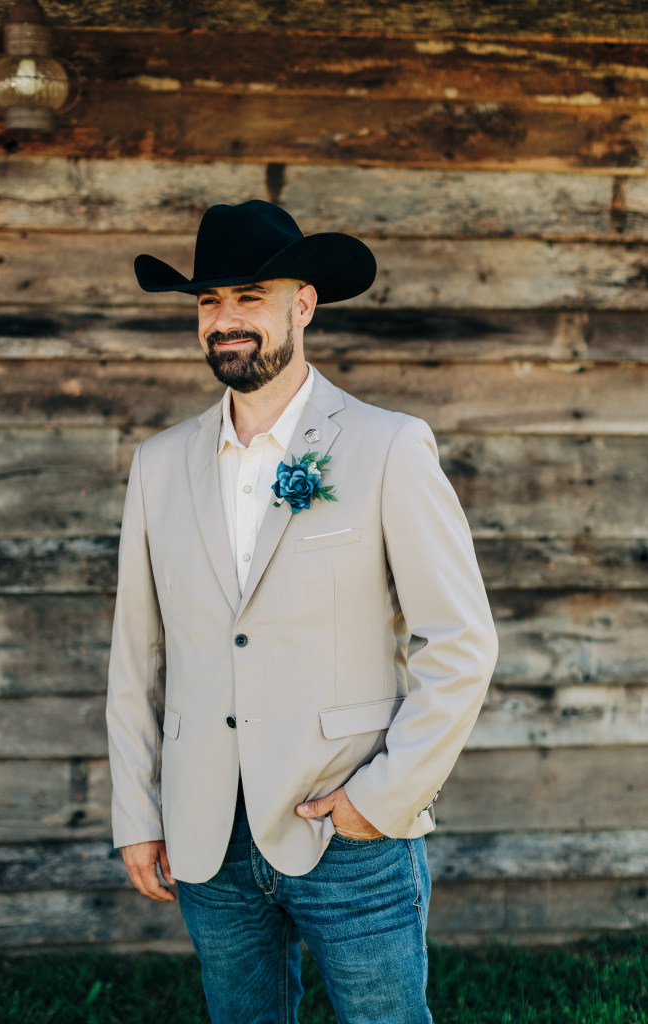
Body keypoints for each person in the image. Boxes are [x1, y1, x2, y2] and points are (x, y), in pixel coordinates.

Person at [106, 199, 498, 1024]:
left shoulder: (387, 446)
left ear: (303, 304)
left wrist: (382, 799)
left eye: (250, 296)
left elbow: (459, 643)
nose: (226, 320)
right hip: (205, 831)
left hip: (346, 828)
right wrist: (138, 814)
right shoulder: (158, 464)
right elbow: (137, 656)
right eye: (209, 301)